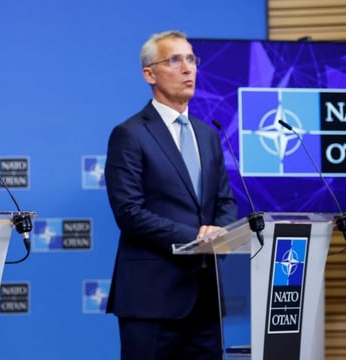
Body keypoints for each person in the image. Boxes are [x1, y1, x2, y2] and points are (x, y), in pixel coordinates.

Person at [104, 30, 238, 360]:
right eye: (174, 60)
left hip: (205, 299)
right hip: (152, 299)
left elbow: (225, 201)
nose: (188, 68)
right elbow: (129, 212)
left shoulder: (208, 135)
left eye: (192, 59)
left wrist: (220, 231)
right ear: (149, 73)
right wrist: (195, 238)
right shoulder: (130, 134)